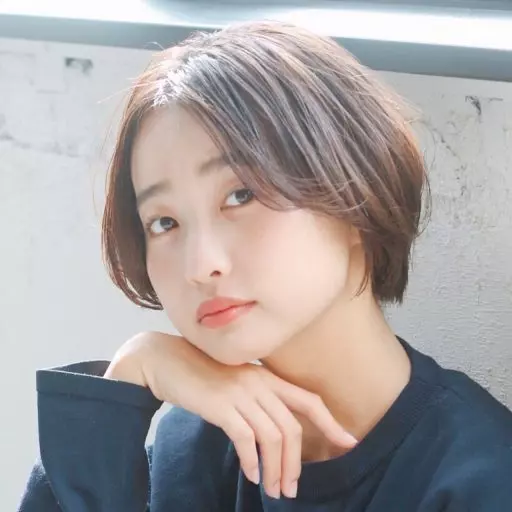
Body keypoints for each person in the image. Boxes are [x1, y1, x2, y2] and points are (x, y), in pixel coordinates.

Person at [18, 20, 512, 512]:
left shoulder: (480, 478)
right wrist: (129, 377)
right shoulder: (196, 446)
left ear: (354, 195)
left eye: (241, 195)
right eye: (164, 222)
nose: (201, 265)